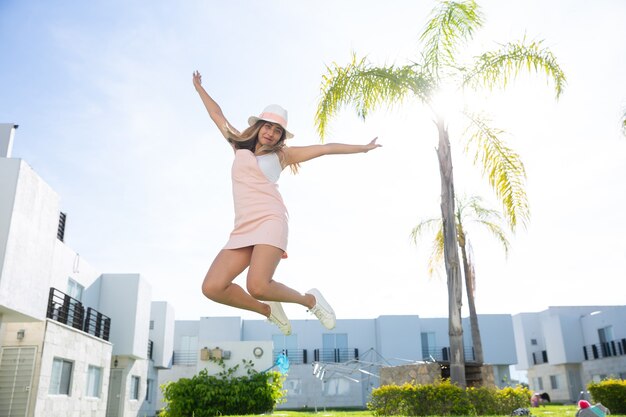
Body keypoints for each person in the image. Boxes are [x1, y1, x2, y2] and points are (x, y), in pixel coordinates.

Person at [192, 71, 381, 335]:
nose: (270, 133)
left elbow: (325, 148)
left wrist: (361, 148)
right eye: (267, 126)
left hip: (271, 219)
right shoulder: (238, 145)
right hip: (244, 225)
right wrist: (198, 87)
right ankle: (268, 311)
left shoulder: (283, 155)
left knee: (257, 285)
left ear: (281, 136)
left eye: (277, 130)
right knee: (212, 287)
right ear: (258, 127)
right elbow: (216, 114)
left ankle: (311, 301)